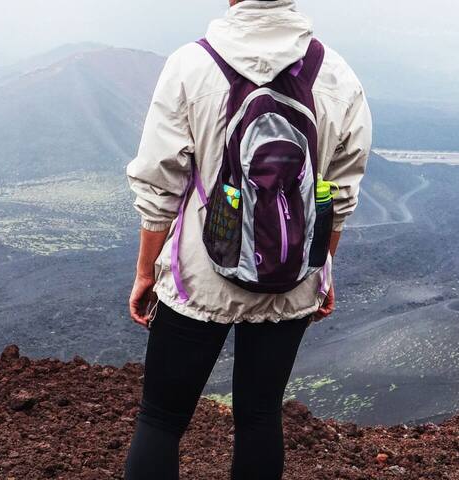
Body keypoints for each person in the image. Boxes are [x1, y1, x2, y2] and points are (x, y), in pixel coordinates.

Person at [122, 0, 370, 478]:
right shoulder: (336, 74)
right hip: (291, 278)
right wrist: (321, 268)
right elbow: (339, 193)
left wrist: (145, 272)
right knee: (260, 416)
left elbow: (159, 182)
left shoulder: (191, 65)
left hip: (199, 274)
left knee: (161, 419)